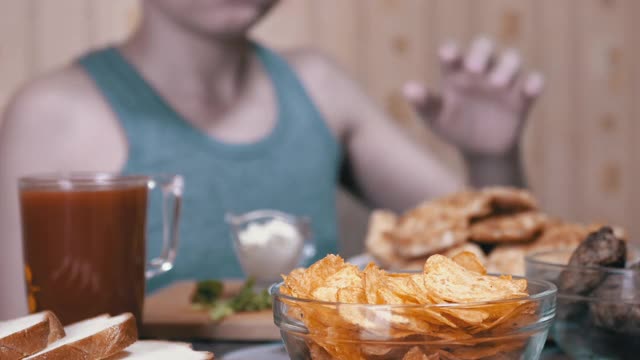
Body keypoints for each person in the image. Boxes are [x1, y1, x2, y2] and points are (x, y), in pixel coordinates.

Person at [0, 0, 543, 317]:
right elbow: (26, 336)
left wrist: (491, 158)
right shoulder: (54, 115)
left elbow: (490, 262)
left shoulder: (319, 86)